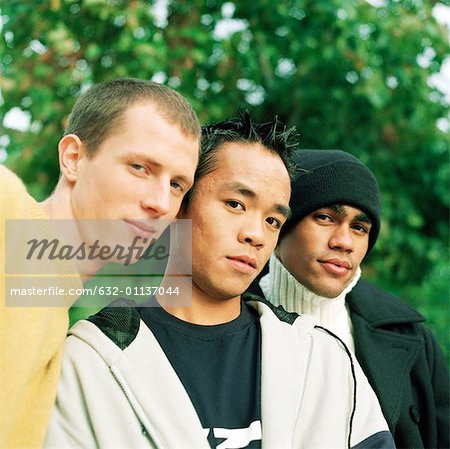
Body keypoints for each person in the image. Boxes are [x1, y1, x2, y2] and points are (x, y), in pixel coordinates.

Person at [45, 113, 395, 449]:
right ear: (179, 205)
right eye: (235, 204)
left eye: (273, 221)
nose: (255, 234)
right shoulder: (91, 359)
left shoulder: (320, 356)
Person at [0, 77, 201, 449]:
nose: (160, 203)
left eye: (177, 185)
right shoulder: (6, 208)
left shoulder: (64, 319)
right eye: (140, 167)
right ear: (74, 158)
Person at [248, 149, 450, 449]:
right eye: (325, 217)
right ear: (281, 225)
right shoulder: (223, 316)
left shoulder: (411, 336)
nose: (343, 241)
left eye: (359, 227)